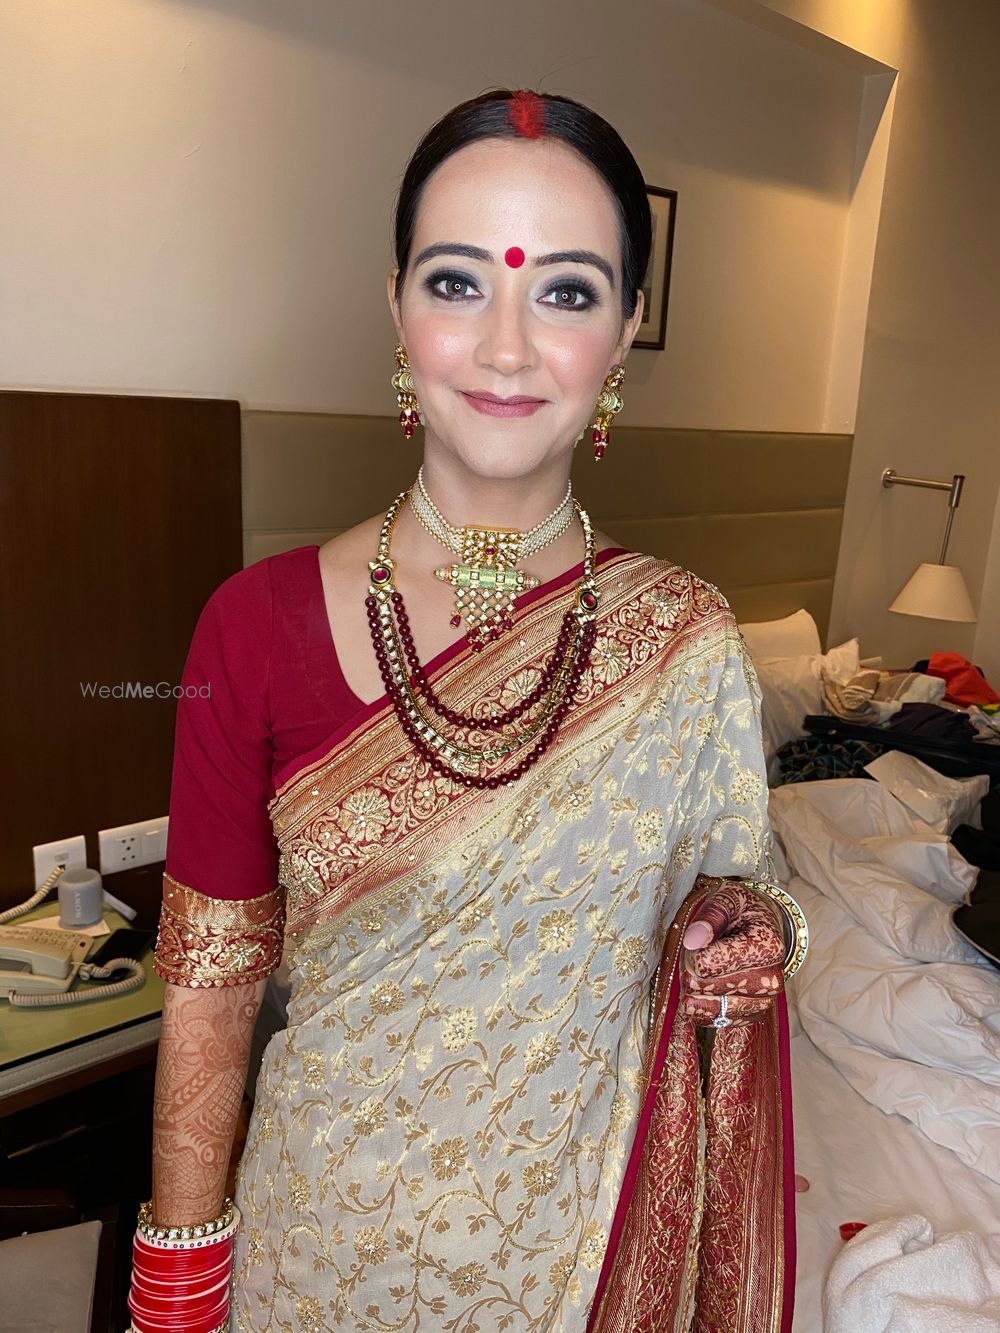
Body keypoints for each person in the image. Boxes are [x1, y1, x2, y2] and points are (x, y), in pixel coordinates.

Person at [128, 88, 804, 1333]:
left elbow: (739, 902)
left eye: (564, 292)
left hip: (584, 1258)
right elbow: (210, 991)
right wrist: (177, 1293)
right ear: (396, 305)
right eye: (457, 283)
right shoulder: (252, 626)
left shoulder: (686, 638)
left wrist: (748, 941)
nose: (504, 348)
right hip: (316, 1250)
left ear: (626, 326)